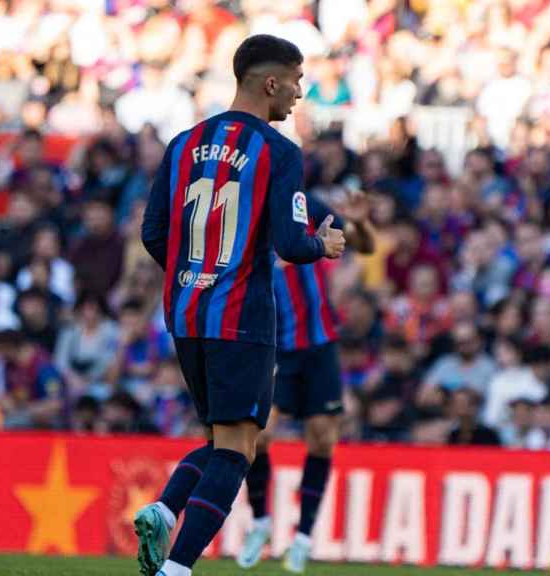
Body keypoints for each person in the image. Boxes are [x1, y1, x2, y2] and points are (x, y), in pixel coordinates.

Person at [135, 35, 345, 576]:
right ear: (270, 82)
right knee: (236, 451)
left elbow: (154, 233)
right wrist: (326, 244)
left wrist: (198, 274)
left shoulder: (183, 144)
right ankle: (177, 568)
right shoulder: (279, 153)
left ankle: (163, 509)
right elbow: (292, 246)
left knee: (222, 437)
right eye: (297, 81)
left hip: (185, 313)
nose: (301, 93)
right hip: (241, 319)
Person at [238, 191, 373, 572]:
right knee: (258, 437)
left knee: (322, 439)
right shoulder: (240, 214)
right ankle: (261, 521)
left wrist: (359, 222)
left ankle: (303, 537)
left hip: (319, 346)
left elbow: (365, 245)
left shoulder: (305, 206)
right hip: (275, 348)